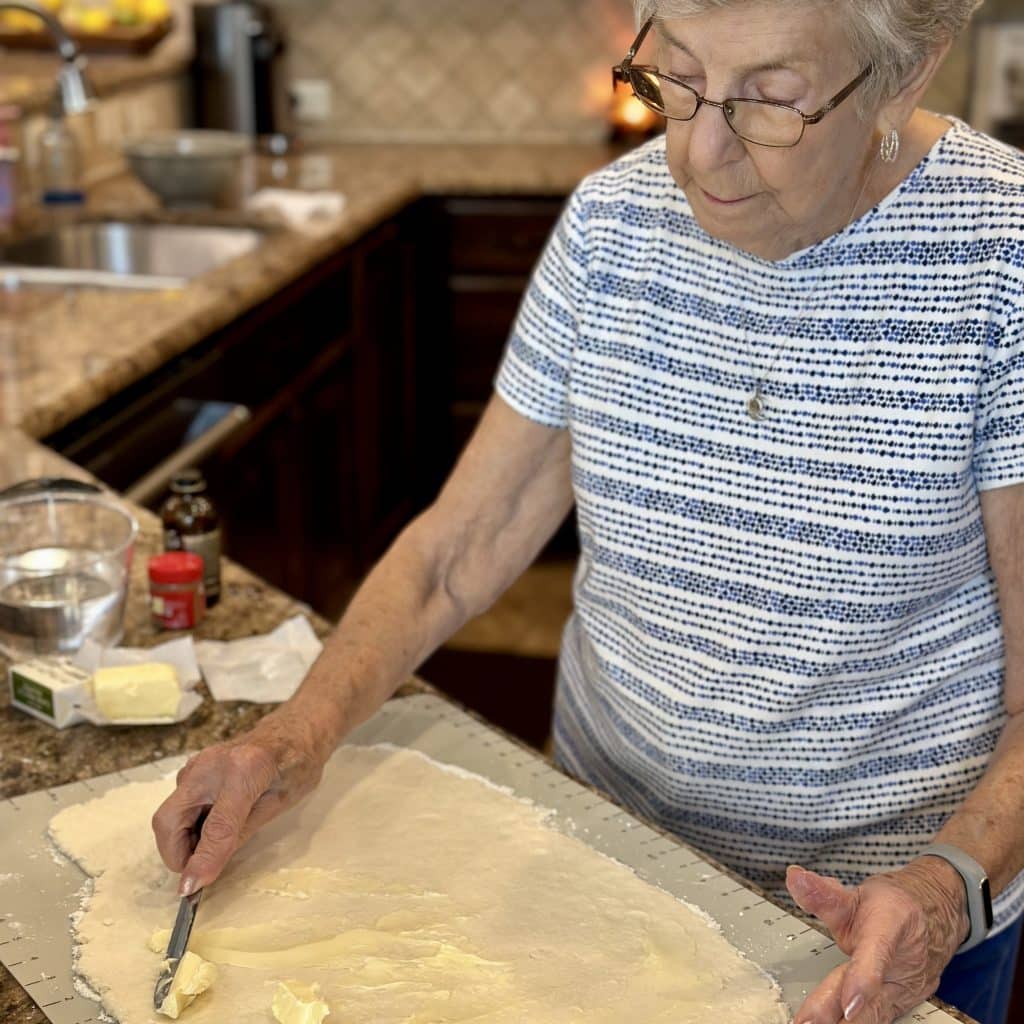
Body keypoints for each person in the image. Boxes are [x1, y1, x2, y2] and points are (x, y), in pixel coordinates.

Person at [152, 1, 1024, 1022]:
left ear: (906, 72)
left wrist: (937, 890)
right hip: (603, 866)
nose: (698, 153)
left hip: (870, 930)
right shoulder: (612, 223)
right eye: (675, 78)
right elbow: (456, 551)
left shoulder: (1000, 260)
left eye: (771, 102)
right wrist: (291, 738)